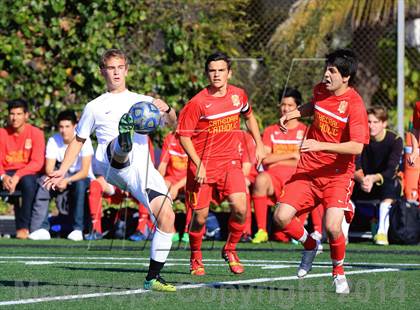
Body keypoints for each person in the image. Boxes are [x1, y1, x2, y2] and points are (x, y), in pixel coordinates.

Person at [44, 48, 177, 292]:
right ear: (102, 72)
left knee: (168, 217)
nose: (115, 72)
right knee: (119, 146)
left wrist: (166, 109)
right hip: (110, 161)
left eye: (120, 67)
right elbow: (79, 140)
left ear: (126, 69)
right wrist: (62, 170)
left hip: (142, 169)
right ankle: (123, 138)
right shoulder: (95, 106)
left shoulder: (144, 102)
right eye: (110, 68)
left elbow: (173, 124)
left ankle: (153, 278)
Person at [273, 49, 369, 294]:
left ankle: (338, 272)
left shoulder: (355, 105)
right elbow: (314, 106)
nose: (326, 74)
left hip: (337, 174)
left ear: (346, 77)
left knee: (332, 226)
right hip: (309, 169)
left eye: (332, 71)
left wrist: (320, 145)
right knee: (281, 216)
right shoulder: (320, 89)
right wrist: (293, 113)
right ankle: (310, 245)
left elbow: (357, 146)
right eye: (326, 68)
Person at [177, 51, 265, 276]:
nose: (216, 75)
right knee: (199, 218)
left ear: (229, 73)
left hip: (230, 164)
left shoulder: (239, 95)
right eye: (212, 71)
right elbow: (183, 136)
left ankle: (230, 249)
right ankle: (196, 256)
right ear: (207, 73)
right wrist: (197, 163)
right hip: (202, 167)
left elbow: (249, 117)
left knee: (241, 208)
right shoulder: (197, 103)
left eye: (221, 70)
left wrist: (260, 143)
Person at [251, 87, 307, 244]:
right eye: (283, 104)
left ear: (298, 108)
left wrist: (278, 159)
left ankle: (302, 230)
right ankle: (262, 231)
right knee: (261, 179)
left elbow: (302, 160)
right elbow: (266, 159)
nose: (286, 109)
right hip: (273, 178)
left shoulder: (304, 131)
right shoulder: (271, 131)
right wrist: (291, 155)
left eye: (290, 105)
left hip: (295, 178)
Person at [29, 110, 94, 241]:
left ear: (75, 126)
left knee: (80, 185)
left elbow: (85, 171)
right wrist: (57, 180)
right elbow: (49, 168)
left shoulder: (84, 140)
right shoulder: (53, 140)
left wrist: (67, 180)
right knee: (44, 182)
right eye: (61, 127)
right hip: (59, 176)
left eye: (67, 126)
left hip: (79, 178)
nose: (63, 130)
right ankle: (41, 228)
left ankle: (77, 229)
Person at [352, 106, 403, 246]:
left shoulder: (395, 140)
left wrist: (373, 178)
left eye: (376, 122)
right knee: (344, 185)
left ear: (384, 123)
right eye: (369, 122)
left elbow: (392, 169)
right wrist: (363, 180)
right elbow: (355, 166)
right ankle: (339, 236)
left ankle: (382, 233)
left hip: (383, 182)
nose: (371, 126)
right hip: (364, 182)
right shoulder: (360, 140)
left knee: (392, 184)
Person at [0, 99, 45, 239]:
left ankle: (23, 228)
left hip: (26, 173)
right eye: (12, 114)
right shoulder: (1, 133)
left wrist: (17, 176)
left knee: (28, 183)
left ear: (26, 115)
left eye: (19, 113)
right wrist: (3, 177)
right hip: (5, 173)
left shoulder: (36, 133)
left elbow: (37, 163)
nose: (15, 117)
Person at [157, 131, 190, 243]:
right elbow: (162, 166)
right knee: (162, 191)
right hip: (171, 179)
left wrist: (176, 187)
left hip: (189, 178)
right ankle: (171, 230)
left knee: (192, 191)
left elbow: (196, 171)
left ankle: (188, 231)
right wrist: (158, 182)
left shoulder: (196, 137)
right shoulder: (170, 137)